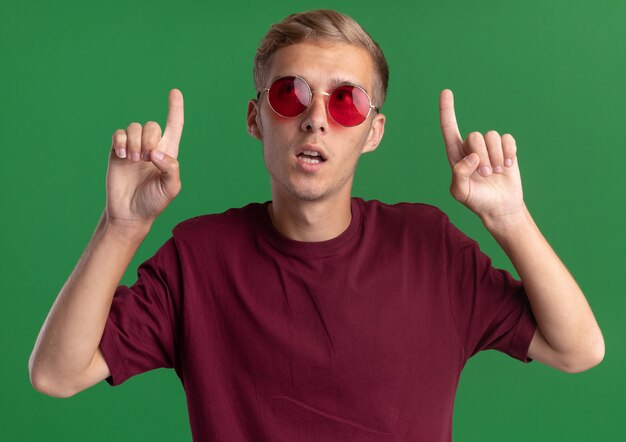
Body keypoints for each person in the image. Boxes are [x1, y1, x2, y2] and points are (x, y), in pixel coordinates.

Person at [29, 9, 604, 442]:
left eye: (347, 101)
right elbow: (56, 374)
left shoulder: (430, 249)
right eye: (291, 94)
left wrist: (509, 218)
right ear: (257, 119)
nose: (316, 119)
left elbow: (577, 349)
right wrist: (121, 226)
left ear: (373, 132)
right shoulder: (198, 259)